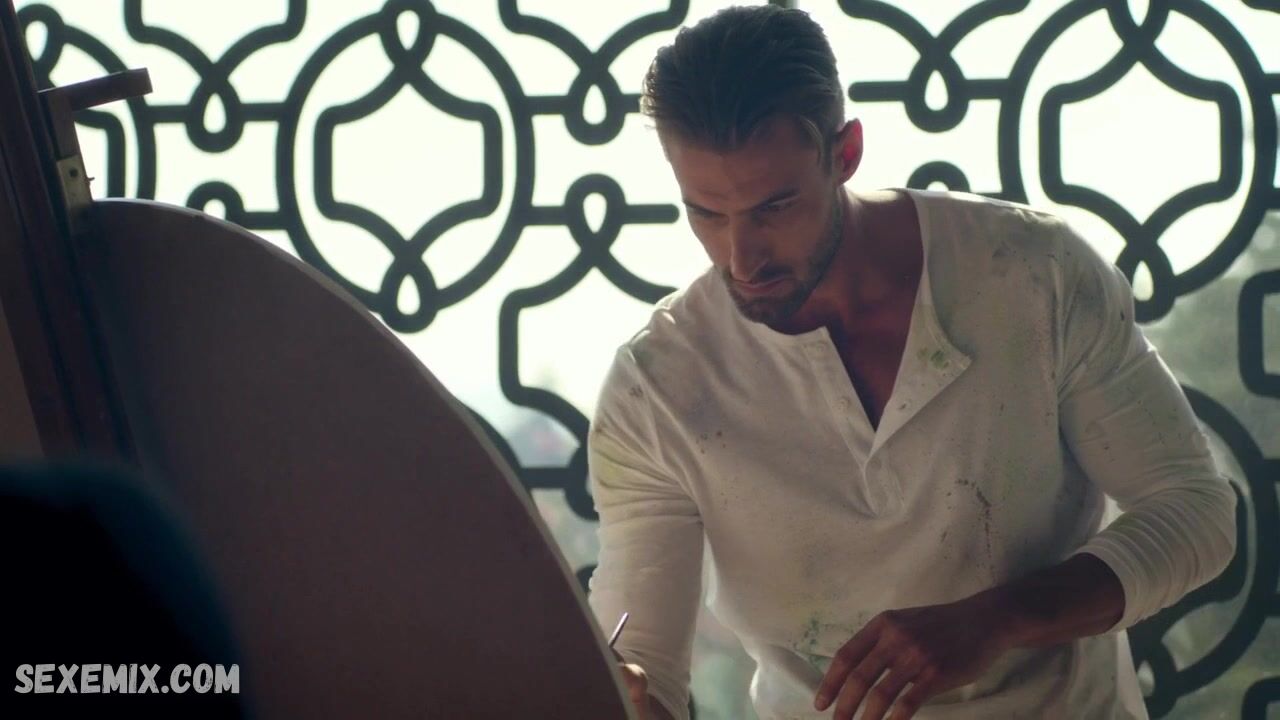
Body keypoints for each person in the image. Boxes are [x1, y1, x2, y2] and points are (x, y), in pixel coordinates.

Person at [585, 6, 1237, 720]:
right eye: (706, 214)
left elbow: (1197, 511)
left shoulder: (1032, 273)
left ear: (846, 153)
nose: (742, 259)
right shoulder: (658, 387)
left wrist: (995, 620)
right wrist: (620, 695)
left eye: (775, 208)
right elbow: (641, 669)